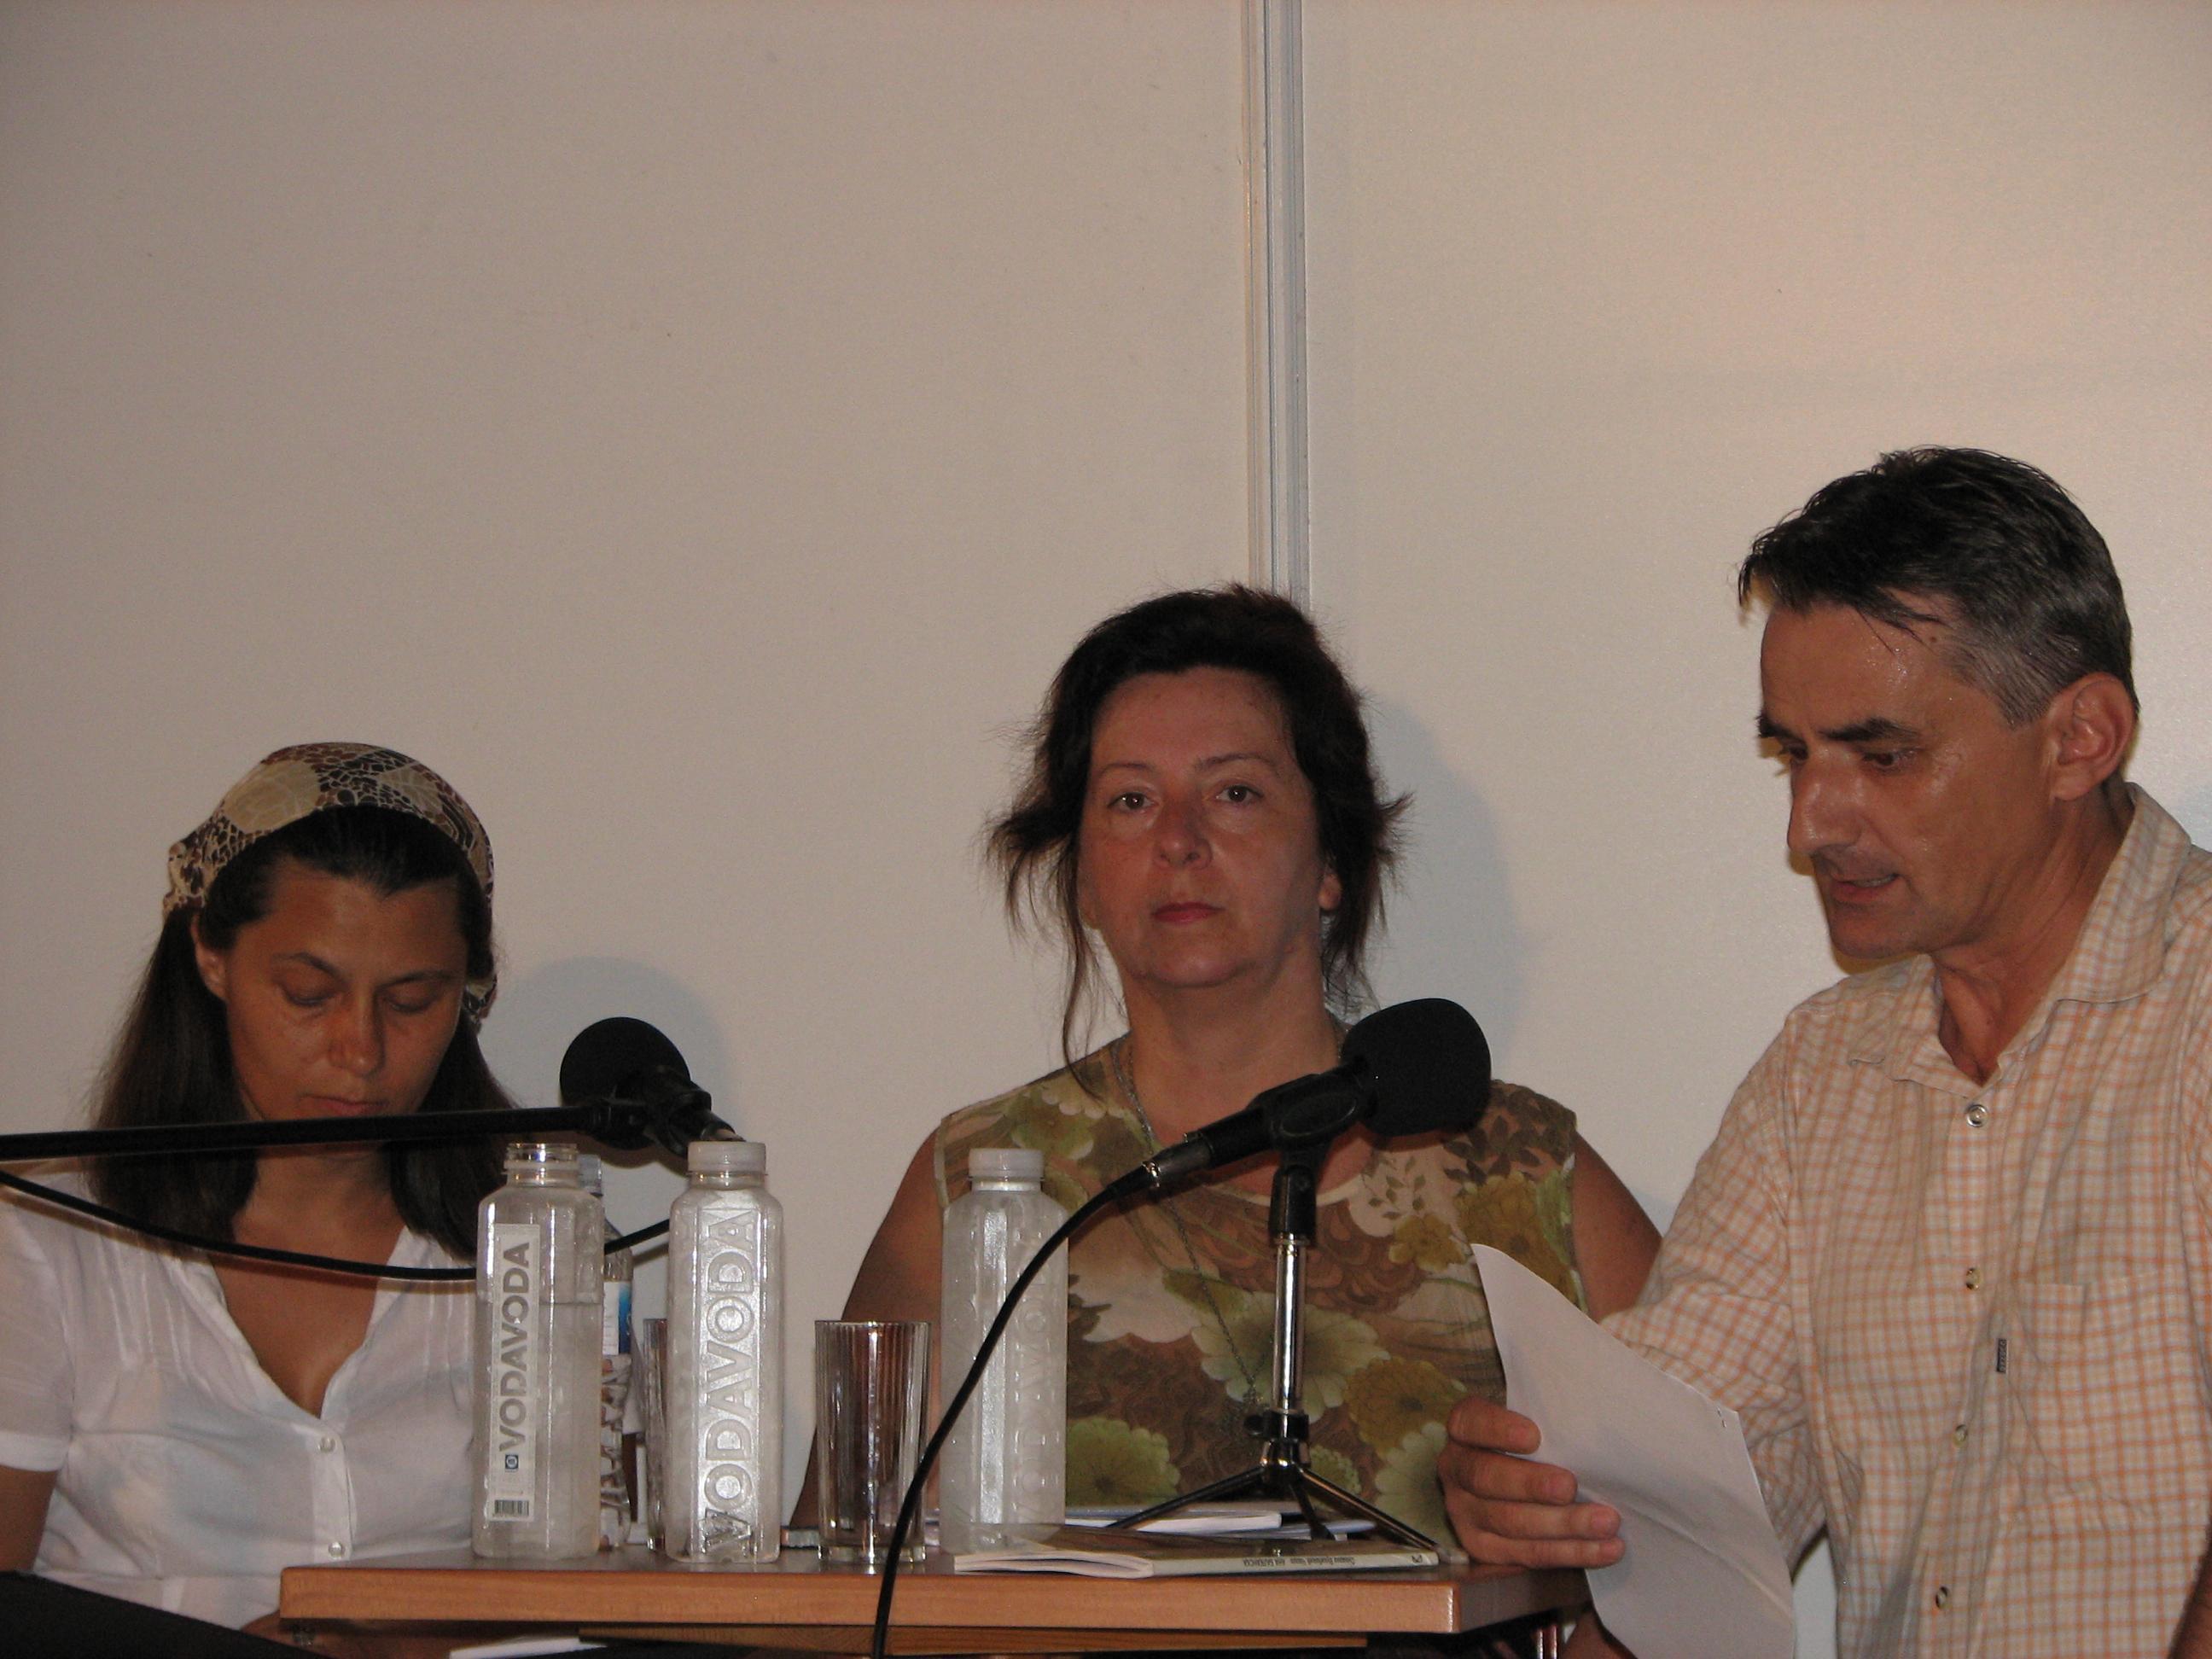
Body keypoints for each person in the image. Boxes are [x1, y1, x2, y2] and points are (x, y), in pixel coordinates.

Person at [1441, 448, 2212, 1657]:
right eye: (1795, 755)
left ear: (2080, 738)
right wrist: (1546, 1493)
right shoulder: (1823, 1072)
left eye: (1882, 756)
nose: (1811, 824)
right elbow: (1690, 1496)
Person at [839, 585, 1659, 1562]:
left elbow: (1707, 1537)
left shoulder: (1522, 1169)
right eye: (1131, 801)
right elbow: (842, 1566)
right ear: (1086, 879)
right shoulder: (986, 1182)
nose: (1178, 841)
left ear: (1330, 859)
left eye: (1234, 793)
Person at [0, 742, 514, 1630]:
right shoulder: (50, 1241)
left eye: (411, 1001)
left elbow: (595, 1595)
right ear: (210, 956)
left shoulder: (534, 1251)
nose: (360, 1051)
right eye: (309, 993)